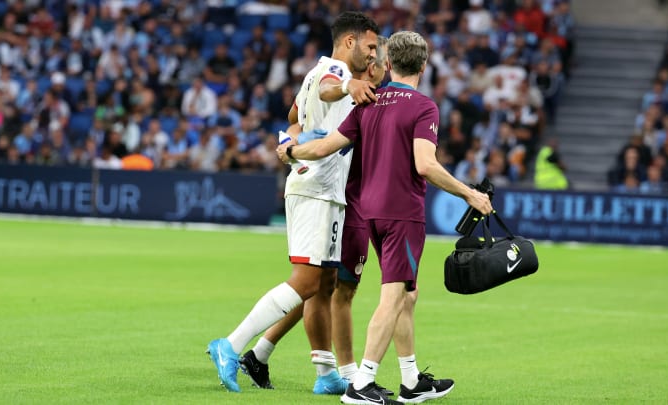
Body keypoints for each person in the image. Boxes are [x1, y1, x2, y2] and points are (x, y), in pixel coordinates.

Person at [277, 31, 493, 405]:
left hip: (369, 211)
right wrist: (470, 194)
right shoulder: (423, 107)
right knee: (393, 297)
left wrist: (291, 151)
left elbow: (325, 146)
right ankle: (362, 383)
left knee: (407, 293)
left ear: (389, 63)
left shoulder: (370, 102)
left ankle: (411, 380)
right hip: (402, 212)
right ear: (424, 66)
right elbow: (425, 165)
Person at [206, 11, 380, 394]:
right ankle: (230, 345)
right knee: (306, 280)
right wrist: (348, 86)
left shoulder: (314, 72)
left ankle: (326, 373)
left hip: (327, 190)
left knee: (325, 283)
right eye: (369, 46)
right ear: (349, 41)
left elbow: (293, 115)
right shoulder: (335, 72)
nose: (373, 54)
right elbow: (329, 90)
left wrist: (291, 138)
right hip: (316, 187)